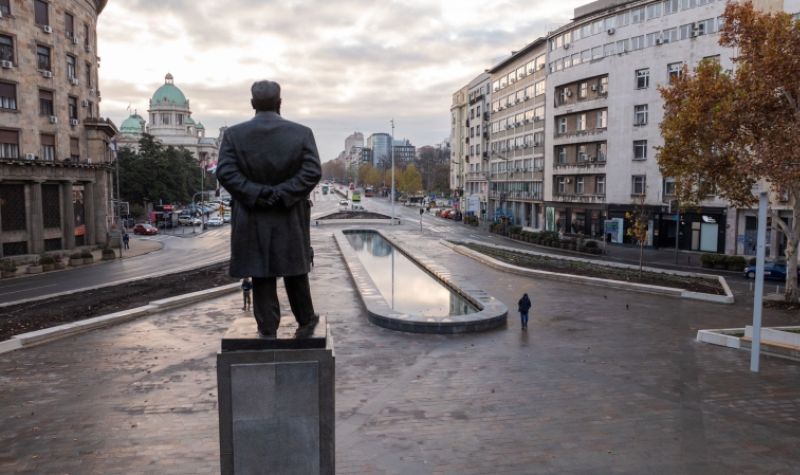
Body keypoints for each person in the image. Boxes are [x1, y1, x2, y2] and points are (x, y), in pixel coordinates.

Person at [216, 80, 321, 337]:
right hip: (290, 215)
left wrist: (257, 193)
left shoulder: (234, 135)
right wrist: (282, 194)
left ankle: (267, 327)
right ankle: (306, 319)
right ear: (280, 103)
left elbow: (226, 172)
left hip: (252, 216)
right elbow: (312, 172)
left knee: (261, 271)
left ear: (253, 104)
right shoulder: (302, 133)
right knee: (295, 269)